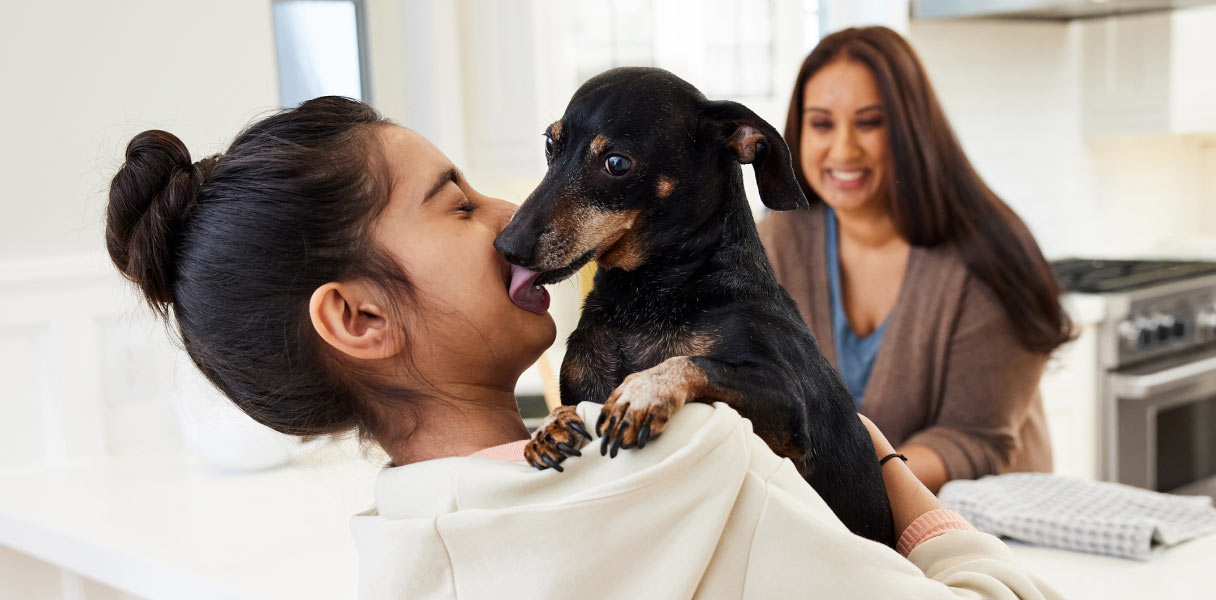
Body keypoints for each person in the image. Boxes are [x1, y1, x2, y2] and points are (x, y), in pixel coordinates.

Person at [105, 96, 1060, 598]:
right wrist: (881, 464)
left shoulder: (401, 544)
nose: (512, 218)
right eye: (458, 200)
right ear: (358, 319)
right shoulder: (696, 464)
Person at [758, 27, 1070, 493]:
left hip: (985, 536)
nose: (843, 149)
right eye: (822, 124)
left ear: (909, 128)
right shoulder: (777, 240)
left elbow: (974, 440)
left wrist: (852, 482)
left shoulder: (988, 256)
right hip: (845, 528)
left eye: (869, 123)